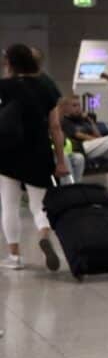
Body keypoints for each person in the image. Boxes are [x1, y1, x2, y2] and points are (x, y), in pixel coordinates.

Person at [0, 44, 67, 271]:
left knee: (9, 205)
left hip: (7, 153)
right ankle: (44, 235)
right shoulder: (46, 86)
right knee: (39, 206)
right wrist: (60, 161)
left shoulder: (4, 87)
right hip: (39, 152)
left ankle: (14, 256)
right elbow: (55, 127)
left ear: (9, 63)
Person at [59, 95, 108, 196]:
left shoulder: (82, 120)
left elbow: (98, 135)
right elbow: (79, 135)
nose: (78, 108)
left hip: (92, 146)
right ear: (67, 108)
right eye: (74, 105)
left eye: (79, 105)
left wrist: (90, 121)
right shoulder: (65, 121)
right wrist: (100, 140)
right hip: (80, 147)